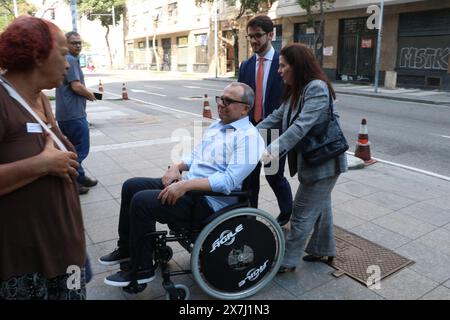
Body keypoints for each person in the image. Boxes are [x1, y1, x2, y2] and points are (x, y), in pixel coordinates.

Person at [98, 82, 265, 286]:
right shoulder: (217, 126)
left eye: (228, 101)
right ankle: (127, 249)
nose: (221, 104)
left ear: (245, 108)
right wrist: (176, 167)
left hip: (208, 202)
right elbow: (195, 156)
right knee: (131, 186)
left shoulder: (249, 138)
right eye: (220, 99)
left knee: (142, 201)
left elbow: (228, 181)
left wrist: (186, 186)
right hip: (189, 186)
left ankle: (141, 269)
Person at [0, 16, 86, 299]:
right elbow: (46, 159)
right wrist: (42, 165)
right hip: (25, 265)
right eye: (63, 54)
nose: (67, 63)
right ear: (38, 54)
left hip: (66, 252)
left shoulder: (39, 99)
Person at [257, 43, 348, 272]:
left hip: (324, 163)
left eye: (283, 66)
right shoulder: (297, 89)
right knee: (321, 206)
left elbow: (301, 127)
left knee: (300, 215)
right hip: (314, 161)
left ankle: (287, 261)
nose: (279, 70)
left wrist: (271, 150)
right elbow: (275, 118)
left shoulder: (316, 88)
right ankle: (324, 250)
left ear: (297, 65)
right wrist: (244, 135)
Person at [238, 15, 293, 226]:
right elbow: (241, 98)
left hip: (275, 133)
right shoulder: (246, 66)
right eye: (250, 36)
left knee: (274, 176)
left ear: (271, 35)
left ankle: (287, 212)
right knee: (248, 178)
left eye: (258, 36)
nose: (253, 41)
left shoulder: (284, 64)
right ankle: (249, 219)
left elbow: (291, 98)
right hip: (251, 130)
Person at [55, 31, 97, 195]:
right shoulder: (71, 60)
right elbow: (76, 86)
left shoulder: (66, 59)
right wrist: (90, 95)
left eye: (79, 42)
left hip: (64, 114)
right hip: (74, 114)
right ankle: (72, 181)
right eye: (74, 43)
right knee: (81, 149)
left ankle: (80, 177)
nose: (78, 45)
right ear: (66, 44)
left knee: (71, 148)